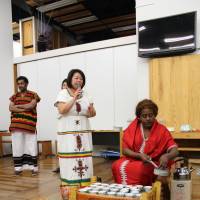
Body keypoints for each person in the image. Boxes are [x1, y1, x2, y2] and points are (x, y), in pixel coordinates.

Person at [112, 99, 178, 186]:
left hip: (153, 162)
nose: (148, 119)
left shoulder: (162, 130)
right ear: (139, 117)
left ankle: (140, 193)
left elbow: (175, 150)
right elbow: (125, 150)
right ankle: (125, 192)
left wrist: (167, 156)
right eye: (144, 116)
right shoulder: (133, 128)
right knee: (116, 165)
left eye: (151, 115)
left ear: (155, 115)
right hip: (133, 159)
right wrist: (139, 155)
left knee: (141, 169)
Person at [55, 69, 96, 186]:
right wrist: (74, 98)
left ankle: (85, 186)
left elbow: (93, 114)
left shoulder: (87, 94)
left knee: (84, 157)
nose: (79, 80)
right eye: (76, 78)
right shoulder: (62, 93)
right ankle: (70, 187)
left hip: (83, 131)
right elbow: (62, 110)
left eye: (81, 78)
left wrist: (91, 111)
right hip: (68, 132)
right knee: (69, 158)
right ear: (70, 79)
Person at [9, 76, 40, 176]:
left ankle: (33, 168)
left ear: (26, 84)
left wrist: (18, 106)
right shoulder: (14, 96)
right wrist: (24, 108)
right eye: (18, 83)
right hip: (16, 125)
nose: (20, 85)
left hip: (29, 125)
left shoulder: (33, 95)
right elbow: (10, 107)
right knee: (17, 146)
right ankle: (18, 168)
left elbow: (31, 106)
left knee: (31, 146)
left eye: (22, 83)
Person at [53, 78, 68, 173]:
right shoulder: (60, 96)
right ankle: (60, 166)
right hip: (62, 124)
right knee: (61, 146)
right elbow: (59, 107)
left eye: (67, 85)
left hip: (70, 125)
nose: (65, 87)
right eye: (63, 85)